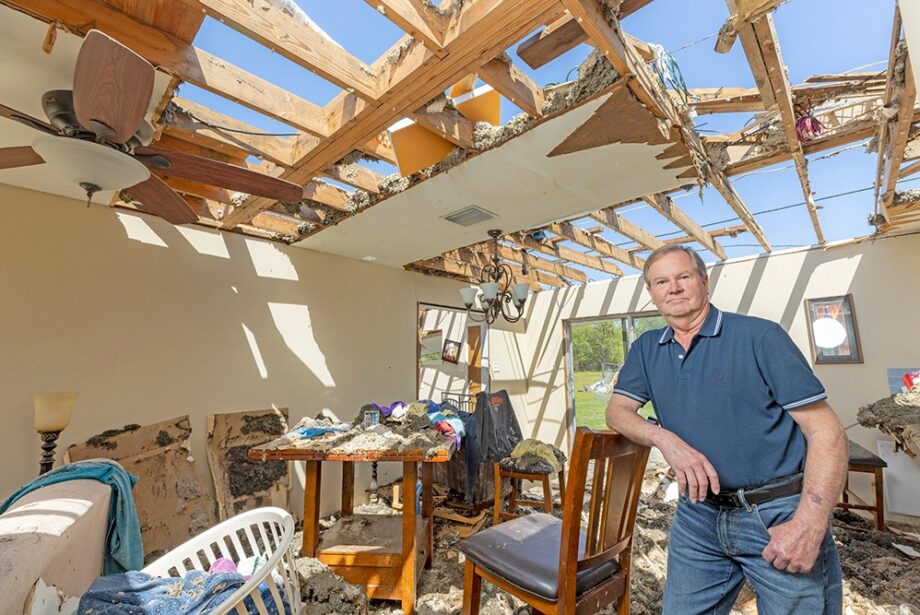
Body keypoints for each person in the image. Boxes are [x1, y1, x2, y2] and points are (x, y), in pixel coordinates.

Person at [606, 245, 847, 614]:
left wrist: (809, 525)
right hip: (698, 514)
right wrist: (663, 439)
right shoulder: (646, 348)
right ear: (652, 293)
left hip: (776, 513)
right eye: (661, 281)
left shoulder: (760, 337)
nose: (673, 288)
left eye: (683, 277)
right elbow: (617, 411)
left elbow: (827, 433)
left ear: (704, 281)